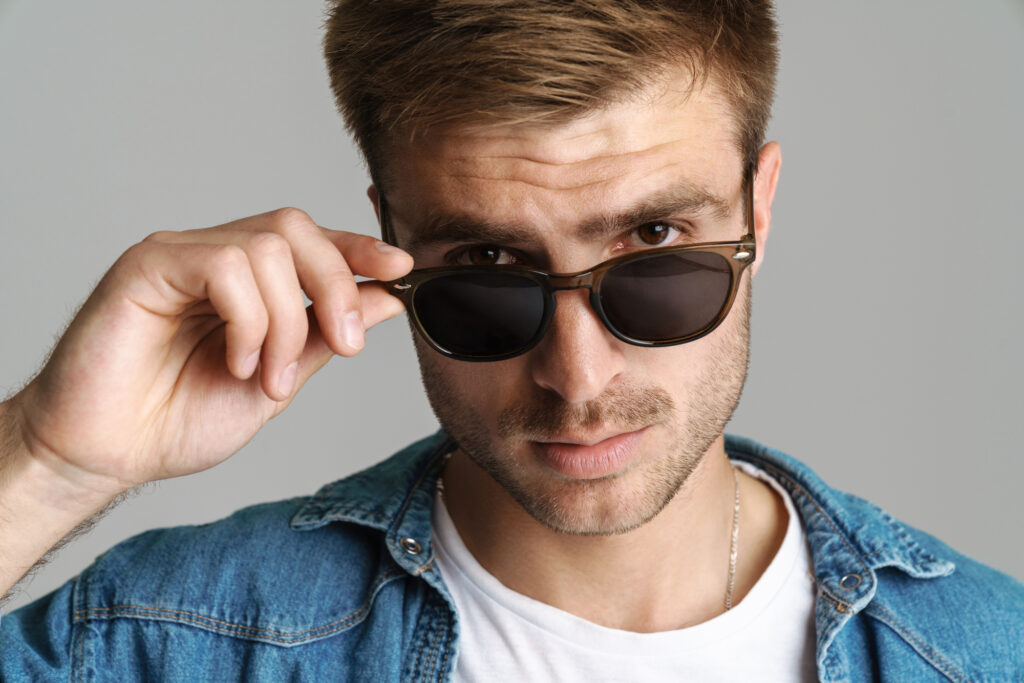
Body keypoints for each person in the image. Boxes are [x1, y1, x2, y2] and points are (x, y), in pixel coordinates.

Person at [1, 1, 1022, 680]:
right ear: (388, 238)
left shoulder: (986, 652)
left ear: (758, 210)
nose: (576, 377)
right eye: (487, 271)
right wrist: (47, 462)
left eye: (655, 248)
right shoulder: (175, 642)